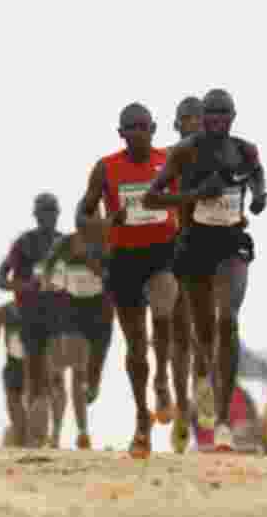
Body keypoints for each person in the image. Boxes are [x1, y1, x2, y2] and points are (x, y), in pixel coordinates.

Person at [143, 88, 267, 452]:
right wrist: (195, 196)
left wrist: (260, 196)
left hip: (231, 244)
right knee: (204, 333)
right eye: (208, 116)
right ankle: (197, 391)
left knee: (228, 318)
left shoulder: (244, 150)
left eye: (221, 115)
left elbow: (257, 175)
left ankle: (225, 421)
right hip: (194, 246)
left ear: (233, 117)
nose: (214, 122)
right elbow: (153, 196)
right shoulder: (182, 153)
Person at [75, 103, 181, 458]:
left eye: (142, 126)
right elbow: (82, 216)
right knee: (136, 347)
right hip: (124, 261)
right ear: (120, 133)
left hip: (163, 253)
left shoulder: (170, 160)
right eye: (130, 127)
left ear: (153, 128)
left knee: (164, 307)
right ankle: (141, 419)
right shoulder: (106, 168)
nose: (137, 132)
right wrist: (107, 225)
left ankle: (163, 380)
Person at [0, 192, 64, 447]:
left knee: (54, 376)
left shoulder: (65, 243)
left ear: (58, 214)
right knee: (35, 376)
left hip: (59, 317)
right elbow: (0, 280)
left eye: (52, 212)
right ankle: (33, 437)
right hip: (30, 317)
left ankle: (50, 436)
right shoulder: (24, 244)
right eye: (43, 212)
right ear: (36, 215)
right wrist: (25, 286)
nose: (48, 217)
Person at [39, 223, 116, 450]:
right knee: (75, 371)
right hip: (73, 311)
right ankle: (74, 433)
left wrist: (92, 264)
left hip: (101, 312)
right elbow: (49, 267)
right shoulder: (65, 243)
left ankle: (93, 388)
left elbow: (114, 278)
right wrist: (48, 279)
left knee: (90, 377)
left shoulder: (108, 242)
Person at [165, 96, 203, 453]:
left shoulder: (222, 157)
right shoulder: (163, 159)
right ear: (176, 124)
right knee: (179, 338)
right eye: (186, 119)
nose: (193, 124)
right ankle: (181, 407)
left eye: (198, 118)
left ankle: (199, 397)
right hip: (172, 256)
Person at [0, 301, 28, 447]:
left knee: (21, 414)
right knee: (19, 414)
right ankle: (21, 440)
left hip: (29, 366)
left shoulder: (4, 311)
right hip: (19, 366)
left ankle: (22, 440)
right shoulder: (3, 311)